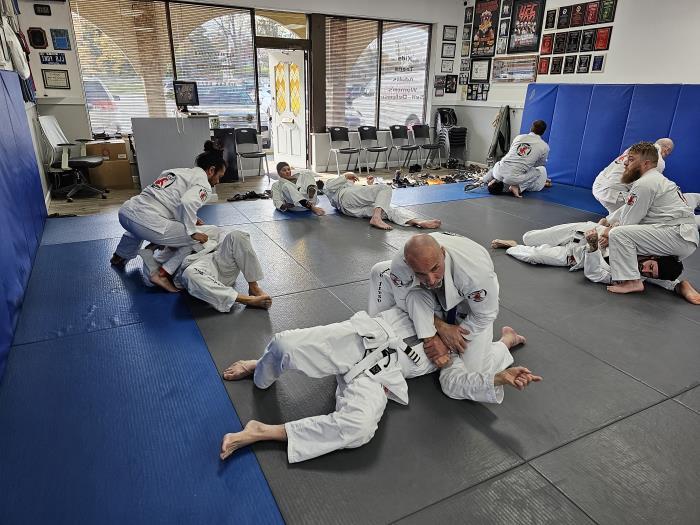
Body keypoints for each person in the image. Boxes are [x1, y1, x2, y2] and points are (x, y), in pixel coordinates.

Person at [219, 306, 539, 463]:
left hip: (378, 376)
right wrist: (437, 326)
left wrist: (500, 370)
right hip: (358, 339)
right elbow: (401, 282)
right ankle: (259, 367)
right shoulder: (425, 303)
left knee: (358, 429)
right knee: (284, 345)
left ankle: (263, 431)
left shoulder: (456, 351)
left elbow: (460, 382)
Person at [369, 232, 534, 401]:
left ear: (443, 253)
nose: (430, 279)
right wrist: (438, 331)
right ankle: (381, 330)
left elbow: (484, 315)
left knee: (474, 370)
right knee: (380, 271)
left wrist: (448, 342)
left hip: (471, 307)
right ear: (407, 264)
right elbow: (404, 300)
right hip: (429, 298)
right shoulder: (401, 264)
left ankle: (506, 342)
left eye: (435, 268)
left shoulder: (475, 274)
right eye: (421, 273)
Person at [110, 141, 224, 292]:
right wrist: (192, 231)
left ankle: (119, 256)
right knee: (197, 239)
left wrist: (190, 219)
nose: (218, 181)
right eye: (219, 176)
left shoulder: (176, 172)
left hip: (127, 211)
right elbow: (187, 202)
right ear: (211, 170)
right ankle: (161, 274)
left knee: (138, 227)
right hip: (147, 220)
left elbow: (168, 199)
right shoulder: (204, 184)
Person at [490, 225, 700, 303]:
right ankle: (523, 241)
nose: (645, 269)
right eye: (650, 266)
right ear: (655, 256)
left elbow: (595, 274)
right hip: (582, 230)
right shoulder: (645, 245)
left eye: (649, 274)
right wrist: (608, 227)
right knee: (529, 237)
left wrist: (592, 248)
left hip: (573, 255)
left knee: (533, 256)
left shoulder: (631, 277)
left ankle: (512, 245)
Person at [601, 142, 698, 294]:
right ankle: (675, 285)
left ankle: (632, 281)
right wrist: (609, 221)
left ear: (646, 163)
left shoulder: (644, 184)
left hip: (676, 235)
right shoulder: (656, 179)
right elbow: (627, 210)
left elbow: (627, 223)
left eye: (631, 159)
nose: (625, 163)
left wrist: (607, 232)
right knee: (638, 258)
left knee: (618, 235)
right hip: (680, 235)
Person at [140, 226, 272, 311]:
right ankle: (245, 300)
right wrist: (151, 248)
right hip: (197, 272)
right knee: (190, 274)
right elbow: (150, 279)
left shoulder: (188, 231)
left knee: (237, 235)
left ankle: (253, 287)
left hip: (216, 258)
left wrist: (193, 233)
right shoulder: (159, 256)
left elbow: (215, 233)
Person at [323, 172, 441, 230]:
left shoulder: (353, 188)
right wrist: (346, 175)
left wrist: (370, 185)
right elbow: (328, 188)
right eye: (351, 180)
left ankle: (416, 222)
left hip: (350, 210)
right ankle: (376, 218)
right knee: (385, 188)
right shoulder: (334, 184)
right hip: (345, 198)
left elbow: (364, 196)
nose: (353, 180)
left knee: (387, 209)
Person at [592, 138, 674, 213]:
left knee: (618, 215)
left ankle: (611, 220)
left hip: (598, 185)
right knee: (644, 213)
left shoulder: (633, 148)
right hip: (612, 193)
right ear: (667, 150)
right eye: (668, 153)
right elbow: (649, 185)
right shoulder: (658, 161)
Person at [483, 120, 550, 198]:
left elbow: (512, 152)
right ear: (543, 132)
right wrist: (527, 163)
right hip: (514, 178)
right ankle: (518, 187)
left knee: (499, 164)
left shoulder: (519, 137)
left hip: (499, 172)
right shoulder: (544, 146)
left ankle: (484, 179)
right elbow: (540, 164)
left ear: (531, 128)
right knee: (538, 171)